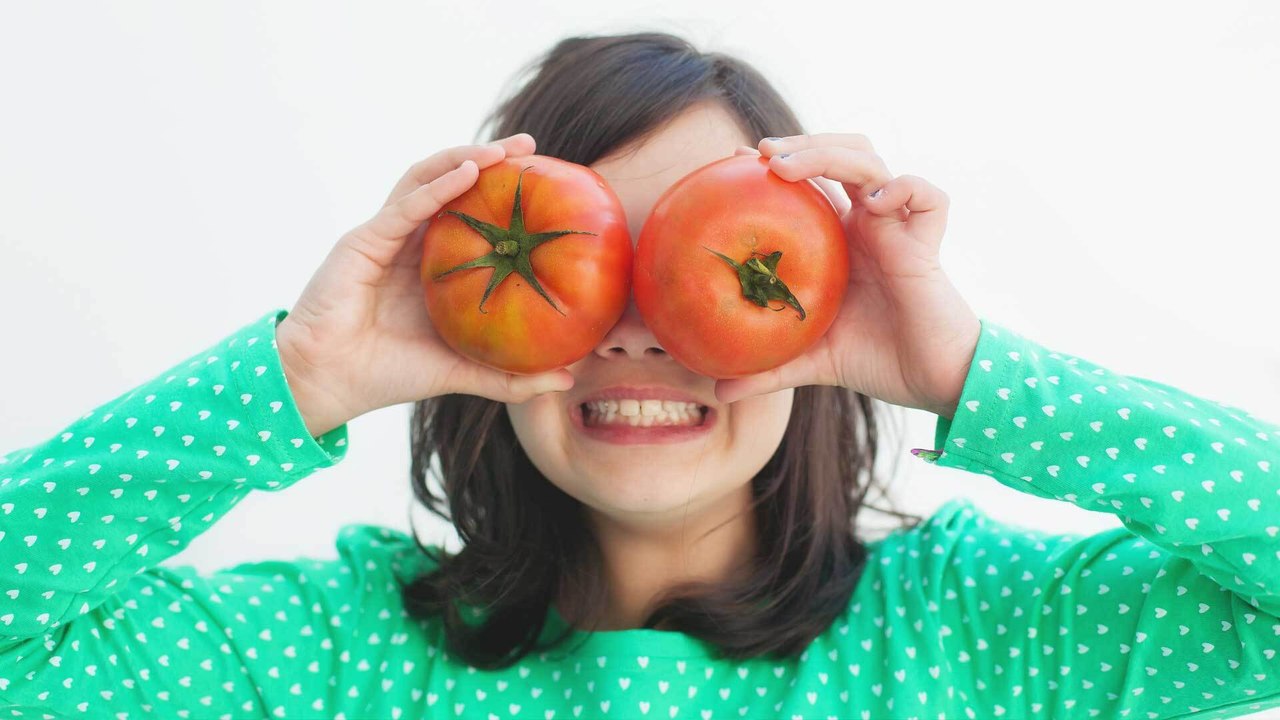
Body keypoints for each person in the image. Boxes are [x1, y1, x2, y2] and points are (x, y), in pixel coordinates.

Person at [1, 31, 1277, 720]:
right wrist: (300, 374)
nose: (636, 335)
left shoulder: (987, 643)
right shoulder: (331, 658)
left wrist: (966, 372)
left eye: (694, 265)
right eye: (575, 262)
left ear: (823, 295)